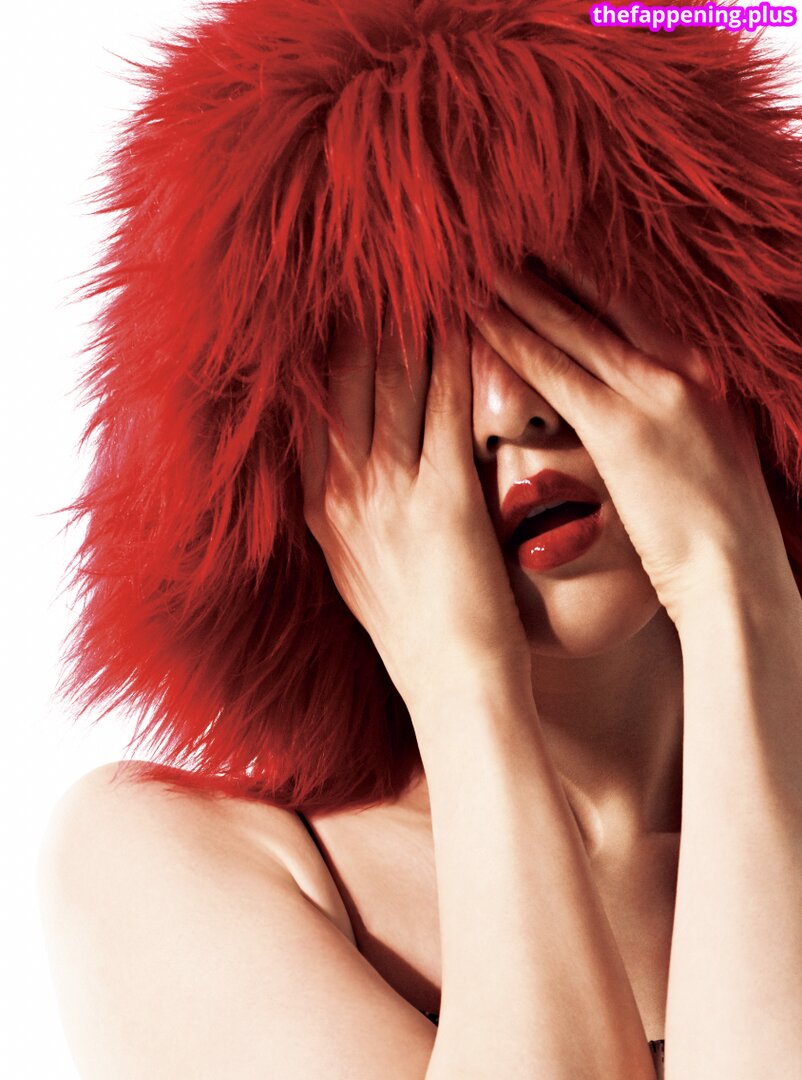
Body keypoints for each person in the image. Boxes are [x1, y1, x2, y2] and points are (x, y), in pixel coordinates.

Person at [38, 1, 802, 1077]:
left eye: (555, 307)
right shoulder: (166, 861)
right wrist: (461, 690)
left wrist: (736, 593)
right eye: (417, 357)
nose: (507, 412)